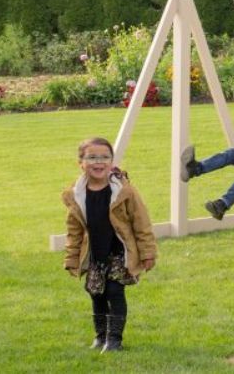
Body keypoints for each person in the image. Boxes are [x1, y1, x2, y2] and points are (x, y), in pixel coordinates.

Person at [62, 137, 157, 353]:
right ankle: (100, 336)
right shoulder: (76, 195)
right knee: (97, 293)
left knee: (115, 291)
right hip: (96, 254)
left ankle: (114, 339)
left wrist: (147, 253)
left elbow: (142, 223)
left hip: (120, 254)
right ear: (81, 163)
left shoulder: (124, 191)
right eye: (92, 157)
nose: (99, 162)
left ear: (112, 161)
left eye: (105, 157)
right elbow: (74, 231)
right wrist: (71, 258)